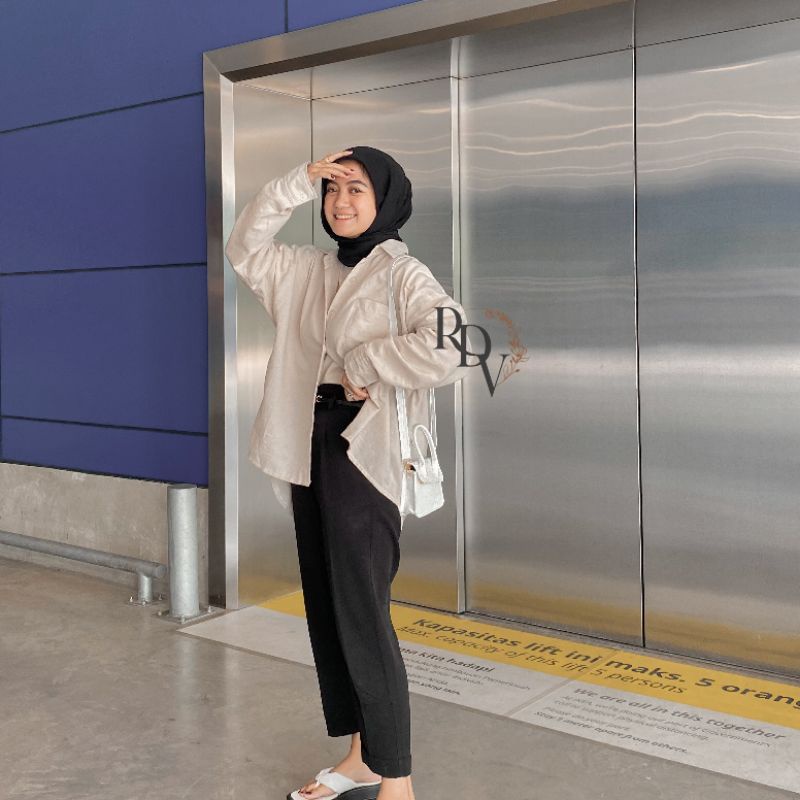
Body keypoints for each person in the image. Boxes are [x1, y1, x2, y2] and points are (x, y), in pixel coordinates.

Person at [225, 146, 470, 800]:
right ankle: (363, 756)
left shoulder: (402, 273)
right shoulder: (308, 269)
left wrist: (367, 362)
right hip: (310, 442)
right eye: (333, 189)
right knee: (330, 606)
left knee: (363, 610)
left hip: (364, 450)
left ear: (384, 199)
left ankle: (398, 778)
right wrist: (296, 182)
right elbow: (244, 246)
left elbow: (452, 343)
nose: (341, 202)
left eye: (356, 189)